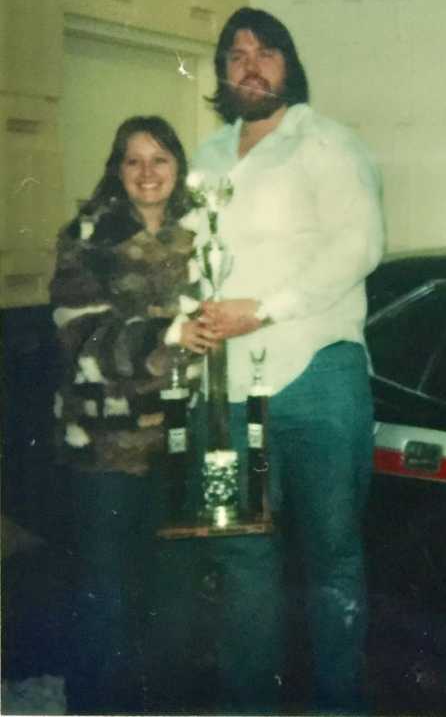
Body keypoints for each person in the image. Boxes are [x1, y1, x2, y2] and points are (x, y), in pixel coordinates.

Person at [194, 6, 384, 711]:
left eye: (266, 51)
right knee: (242, 558)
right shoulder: (206, 155)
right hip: (225, 389)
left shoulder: (328, 144)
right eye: (235, 53)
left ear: (289, 64)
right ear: (221, 71)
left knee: (332, 557)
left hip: (318, 379)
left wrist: (261, 309)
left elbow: (358, 248)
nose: (250, 63)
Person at [49, 116, 214, 714]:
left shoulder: (205, 232)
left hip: (181, 444)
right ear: (117, 170)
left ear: (178, 168)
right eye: (133, 161)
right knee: (106, 598)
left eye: (160, 160)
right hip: (105, 446)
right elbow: (82, 334)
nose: (148, 174)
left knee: (173, 598)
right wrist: (171, 334)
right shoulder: (86, 236)